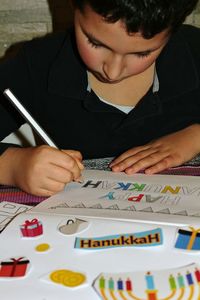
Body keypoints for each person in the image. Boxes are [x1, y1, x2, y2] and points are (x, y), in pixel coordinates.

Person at [0, 0, 199, 196]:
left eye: (142, 53)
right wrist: (14, 167)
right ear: (74, 6)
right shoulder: (36, 65)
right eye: (95, 43)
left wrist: (196, 137)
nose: (113, 72)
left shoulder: (194, 50)